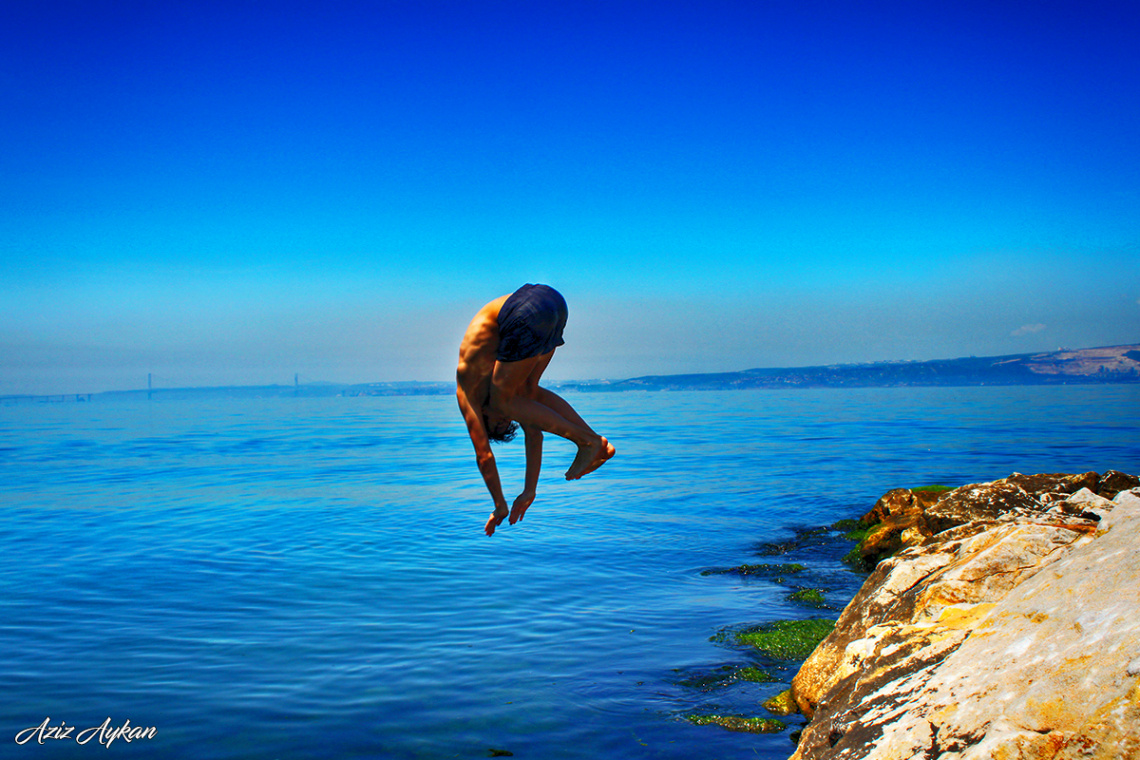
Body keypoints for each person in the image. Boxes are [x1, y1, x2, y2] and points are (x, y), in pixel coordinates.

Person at [456, 284, 615, 536]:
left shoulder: (468, 391)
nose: (506, 416)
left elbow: (484, 455)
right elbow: (535, 433)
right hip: (554, 303)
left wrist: (499, 506)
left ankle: (587, 442)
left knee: (504, 399)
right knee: (530, 393)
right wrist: (529, 491)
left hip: (523, 309)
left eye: (498, 422)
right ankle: (598, 443)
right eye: (507, 421)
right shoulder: (506, 386)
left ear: (483, 418)